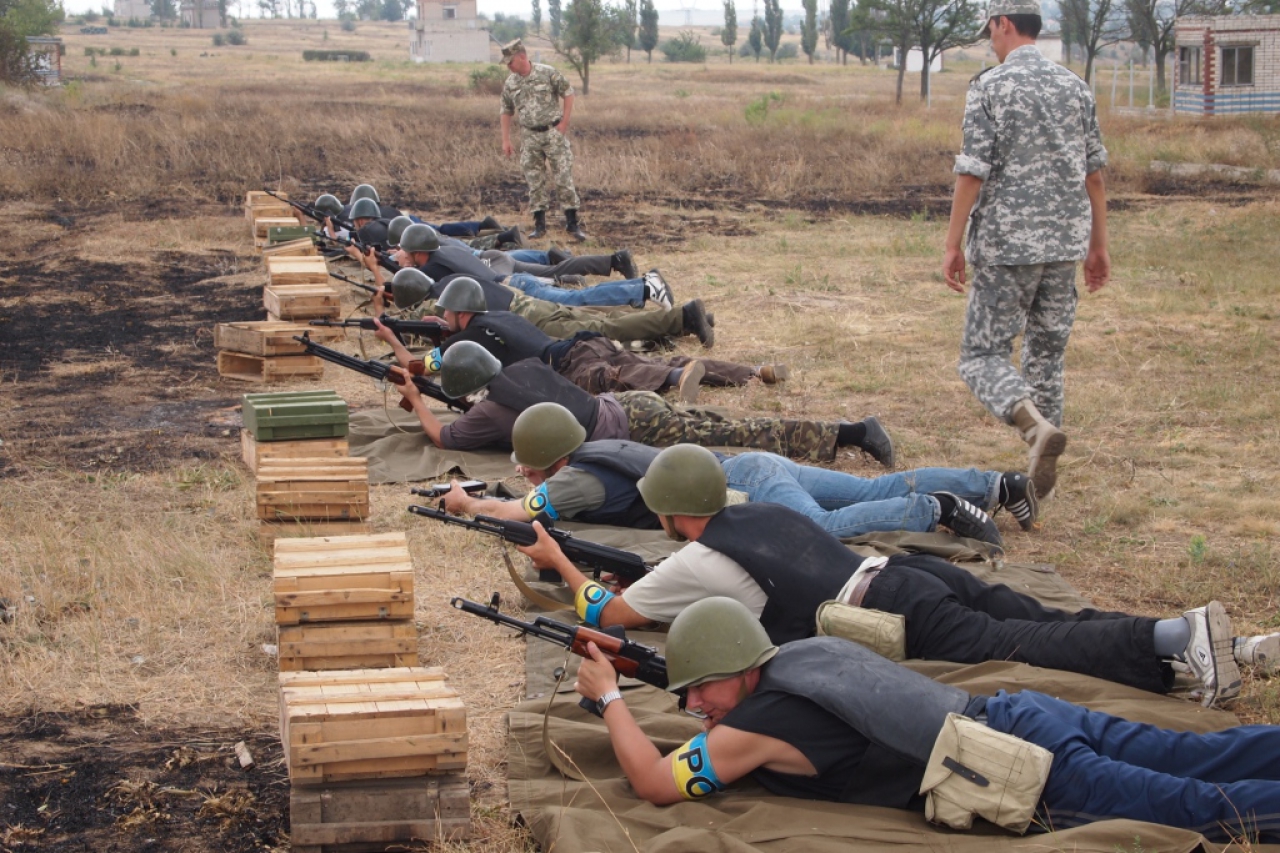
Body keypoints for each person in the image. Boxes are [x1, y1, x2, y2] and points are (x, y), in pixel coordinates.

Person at [518, 444, 1276, 707]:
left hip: (894, 607)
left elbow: (609, 616)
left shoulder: (696, 559)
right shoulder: (751, 511)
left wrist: (559, 563)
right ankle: (1201, 648)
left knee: (1029, 648)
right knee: (1043, 620)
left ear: (668, 511)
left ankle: (1180, 639)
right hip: (903, 570)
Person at [571, 597, 1280, 843]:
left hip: (1025, 770)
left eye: (702, 690)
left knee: (1202, 808)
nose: (694, 706)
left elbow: (654, 783)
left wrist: (609, 698)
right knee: (1202, 756)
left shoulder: (756, 727)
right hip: (1022, 712)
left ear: (739, 668)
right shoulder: (797, 653)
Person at [942, 0, 1110, 499]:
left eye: (991, 31)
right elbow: (1095, 176)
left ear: (1004, 24)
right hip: (1063, 246)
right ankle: (1039, 488)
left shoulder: (990, 86)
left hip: (1006, 246)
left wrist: (952, 243)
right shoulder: (1075, 87)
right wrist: (1098, 245)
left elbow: (972, 171)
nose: (991, 42)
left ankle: (1034, 428)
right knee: (1046, 358)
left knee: (980, 356)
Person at [442, 406, 998, 542]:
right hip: (750, 467)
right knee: (869, 489)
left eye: (528, 466)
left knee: (824, 529)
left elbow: (518, 514)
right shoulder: (597, 448)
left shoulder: (573, 482)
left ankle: (936, 509)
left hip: (746, 485)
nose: (526, 473)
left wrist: (467, 505)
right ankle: (995, 485)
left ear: (549, 459)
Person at [392, 345, 875, 466]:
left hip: (637, 428)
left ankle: (852, 433)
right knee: (726, 425)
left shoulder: (489, 412)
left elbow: (443, 437)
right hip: (629, 403)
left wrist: (416, 399)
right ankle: (843, 430)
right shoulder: (519, 371)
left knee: (738, 437)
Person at [376, 276, 786, 405]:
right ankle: (752, 371)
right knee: (652, 361)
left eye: (447, 314)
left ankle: (677, 380)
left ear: (458, 313)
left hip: (569, 364)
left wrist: (393, 342)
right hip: (584, 343)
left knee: (618, 378)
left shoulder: (466, 339)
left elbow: (419, 367)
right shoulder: (497, 316)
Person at [355, 223, 682, 315]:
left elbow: (417, 300)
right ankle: (636, 292)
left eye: (405, 252)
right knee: (575, 301)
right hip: (513, 282)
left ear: (417, 252)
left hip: (514, 287)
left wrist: (381, 271)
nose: (401, 255)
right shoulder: (441, 254)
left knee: (576, 302)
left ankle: (643, 287)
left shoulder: (436, 267)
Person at [379, 266, 716, 350]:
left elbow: (412, 327)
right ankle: (681, 320)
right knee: (601, 317)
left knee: (602, 329)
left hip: (527, 317)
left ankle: (682, 316)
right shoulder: (449, 283)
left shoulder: (436, 303)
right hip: (526, 303)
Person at [500, 39, 587, 241]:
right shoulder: (511, 83)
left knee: (563, 177)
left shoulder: (547, 73)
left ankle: (572, 224)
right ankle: (539, 225)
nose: (508, 66)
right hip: (529, 136)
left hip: (552, 133)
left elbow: (568, 93)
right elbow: (506, 110)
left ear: (522, 57)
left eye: (511, 61)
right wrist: (506, 140)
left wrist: (564, 123)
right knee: (534, 181)